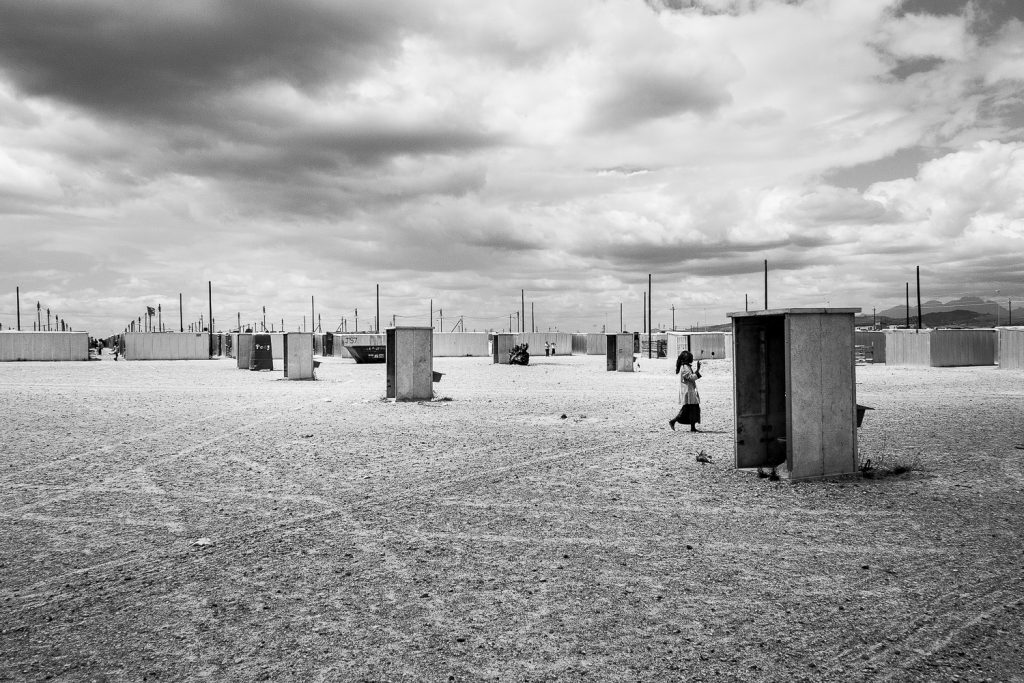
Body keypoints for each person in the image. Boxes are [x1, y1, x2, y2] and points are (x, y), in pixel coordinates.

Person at [669, 350, 702, 432]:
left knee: (692, 409)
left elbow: (691, 376)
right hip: (688, 392)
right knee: (688, 409)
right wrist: (698, 372)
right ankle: (673, 421)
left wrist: (697, 369)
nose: (692, 359)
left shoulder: (686, 367)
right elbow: (690, 378)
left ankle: (692, 427)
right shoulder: (685, 367)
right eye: (691, 358)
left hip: (689, 391)